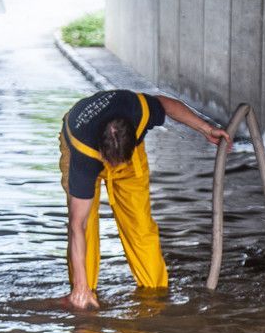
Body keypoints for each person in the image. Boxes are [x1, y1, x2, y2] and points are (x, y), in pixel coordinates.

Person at [59, 89, 230, 310]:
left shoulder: (139, 110)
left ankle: (156, 297)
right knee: (86, 227)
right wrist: (81, 287)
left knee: (140, 227)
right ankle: (83, 294)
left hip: (128, 158)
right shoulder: (83, 154)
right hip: (84, 151)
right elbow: (77, 225)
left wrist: (206, 129)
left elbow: (168, 106)